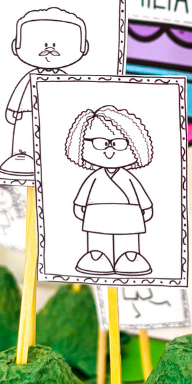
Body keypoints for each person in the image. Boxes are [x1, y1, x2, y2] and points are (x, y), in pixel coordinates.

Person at [0, 7, 89, 176]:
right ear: (15, 46)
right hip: (26, 115)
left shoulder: (65, 79)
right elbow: (19, 93)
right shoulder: (29, 77)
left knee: (54, 139)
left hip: (56, 115)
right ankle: (23, 157)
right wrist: (12, 109)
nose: (49, 49)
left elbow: (72, 97)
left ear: (83, 47)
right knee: (24, 138)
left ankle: (54, 161)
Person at [68, 106, 155, 275]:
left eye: (118, 143)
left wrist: (146, 209)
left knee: (128, 241)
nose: (109, 150)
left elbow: (142, 196)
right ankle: (97, 256)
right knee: (97, 240)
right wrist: (79, 208)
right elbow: (81, 198)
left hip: (128, 215)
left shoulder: (129, 178)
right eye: (100, 143)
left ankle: (130, 257)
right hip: (97, 214)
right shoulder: (94, 177)